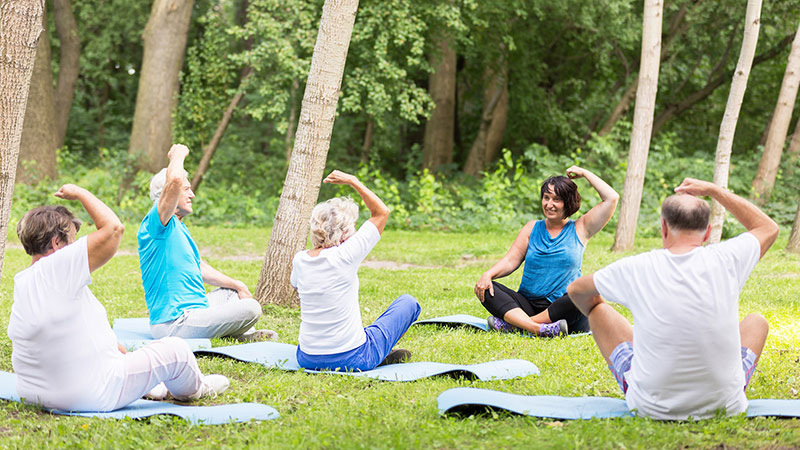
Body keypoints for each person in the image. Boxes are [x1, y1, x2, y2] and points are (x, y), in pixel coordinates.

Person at [567, 178, 778, 420]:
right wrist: (714, 191)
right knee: (757, 322)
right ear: (707, 233)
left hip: (650, 407)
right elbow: (768, 228)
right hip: (725, 405)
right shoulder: (727, 258)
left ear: (663, 228)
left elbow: (576, 290)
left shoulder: (637, 267)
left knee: (599, 311)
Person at [8, 185, 229, 412]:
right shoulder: (58, 265)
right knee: (176, 350)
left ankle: (150, 387)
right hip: (87, 395)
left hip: (34, 393)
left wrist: (116, 350)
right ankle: (196, 389)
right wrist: (80, 193)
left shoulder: (24, 280)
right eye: (72, 240)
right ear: (56, 242)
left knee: (124, 354)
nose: (75, 246)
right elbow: (113, 229)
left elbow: (65, 330)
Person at [138, 144, 276, 341]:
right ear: (169, 194)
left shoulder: (179, 227)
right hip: (176, 323)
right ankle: (239, 336)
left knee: (232, 293)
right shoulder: (156, 225)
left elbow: (198, 267)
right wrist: (177, 155)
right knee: (251, 308)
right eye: (186, 190)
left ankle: (239, 335)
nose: (192, 195)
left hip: (197, 310)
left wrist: (237, 284)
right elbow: (175, 180)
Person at [291, 170, 421, 371]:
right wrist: (353, 181)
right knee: (408, 303)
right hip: (353, 359)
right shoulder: (346, 254)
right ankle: (378, 354)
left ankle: (374, 349)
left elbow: (296, 285)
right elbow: (381, 212)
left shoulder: (300, 259)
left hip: (307, 357)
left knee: (365, 331)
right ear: (344, 234)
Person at [474, 166, 618, 336]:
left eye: (556, 199)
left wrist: (585, 173)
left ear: (568, 202)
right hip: (528, 305)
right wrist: (488, 275)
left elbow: (612, 198)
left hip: (563, 310)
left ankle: (517, 325)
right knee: (489, 289)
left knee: (583, 293)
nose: (549, 204)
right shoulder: (531, 228)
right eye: (546, 198)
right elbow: (511, 260)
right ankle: (536, 328)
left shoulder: (581, 228)